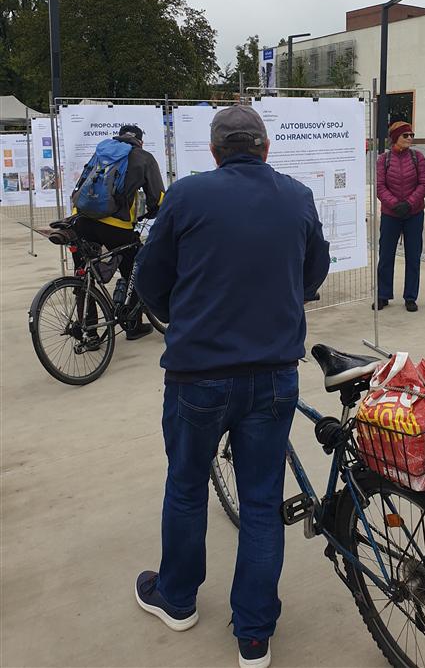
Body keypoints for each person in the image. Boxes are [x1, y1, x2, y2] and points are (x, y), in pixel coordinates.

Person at [132, 105, 330, 668]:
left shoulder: (188, 195)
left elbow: (151, 279)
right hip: (274, 376)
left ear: (215, 153)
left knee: (188, 487)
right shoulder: (296, 195)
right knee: (263, 503)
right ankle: (254, 635)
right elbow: (314, 270)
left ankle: (176, 599)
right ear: (266, 149)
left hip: (198, 375)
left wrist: (185, 315)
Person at [71, 124, 165, 340]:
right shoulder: (143, 157)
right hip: (116, 226)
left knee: (83, 274)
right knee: (134, 266)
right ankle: (132, 324)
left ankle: (90, 333)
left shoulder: (101, 151)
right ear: (140, 141)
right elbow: (158, 198)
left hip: (81, 220)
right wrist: (151, 212)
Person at [375, 120, 425, 312]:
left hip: (414, 214)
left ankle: (410, 296)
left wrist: (409, 203)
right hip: (391, 214)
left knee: (413, 256)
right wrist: (394, 204)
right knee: (386, 255)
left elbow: (424, 183)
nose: (410, 138)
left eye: (411, 135)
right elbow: (380, 186)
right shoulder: (383, 159)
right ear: (395, 138)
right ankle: (382, 294)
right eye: (405, 135)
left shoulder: (418, 157)